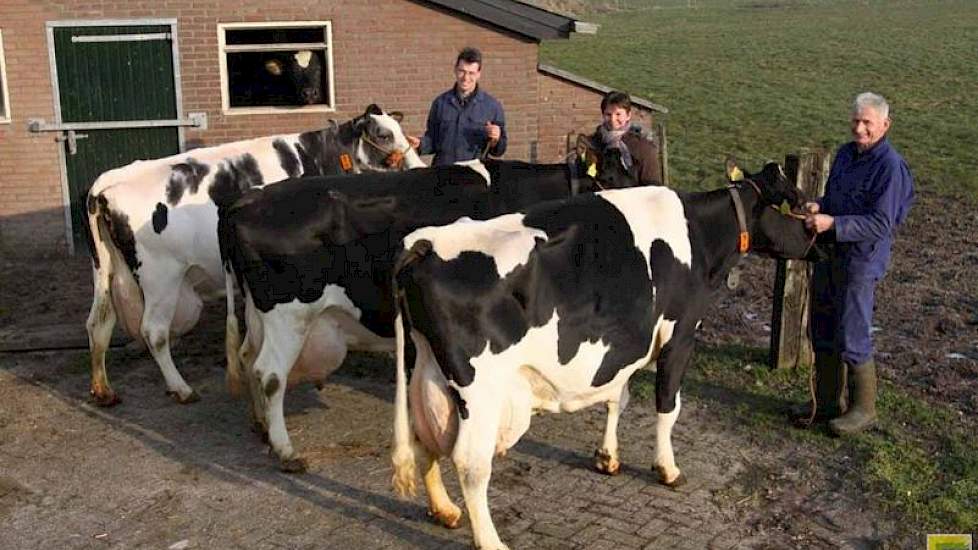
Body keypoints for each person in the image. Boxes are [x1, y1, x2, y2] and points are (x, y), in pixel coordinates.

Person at [791, 92, 915, 436]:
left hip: (862, 259)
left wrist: (834, 224)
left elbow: (881, 223)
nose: (860, 129)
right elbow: (836, 199)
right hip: (831, 253)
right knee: (822, 324)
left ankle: (863, 409)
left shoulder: (890, 167)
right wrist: (819, 206)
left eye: (867, 124)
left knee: (852, 330)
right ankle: (828, 403)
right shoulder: (846, 154)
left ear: (885, 125)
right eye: (855, 121)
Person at [407, 47, 506, 166]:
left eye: (471, 73)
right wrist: (420, 144)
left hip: (472, 177)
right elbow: (433, 140)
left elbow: (499, 150)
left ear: (479, 74)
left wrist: (496, 140)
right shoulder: (440, 103)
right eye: (462, 71)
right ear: (455, 70)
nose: (465, 78)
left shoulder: (492, 107)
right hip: (442, 174)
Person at [590, 90, 662, 186]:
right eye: (608, 114)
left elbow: (653, 187)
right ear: (603, 115)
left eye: (618, 114)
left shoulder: (643, 147)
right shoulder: (593, 143)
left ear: (628, 115)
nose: (612, 119)